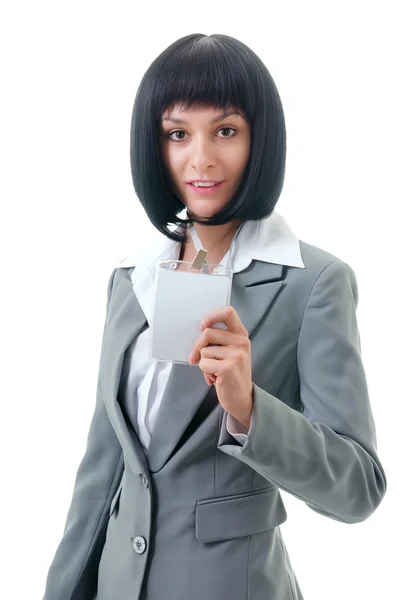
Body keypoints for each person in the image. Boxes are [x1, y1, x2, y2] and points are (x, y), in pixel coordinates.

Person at [42, 33, 387, 600]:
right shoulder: (132, 280)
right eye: (178, 134)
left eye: (225, 131)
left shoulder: (313, 283)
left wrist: (249, 409)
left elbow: (358, 489)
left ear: (260, 140)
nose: (199, 158)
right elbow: (102, 466)